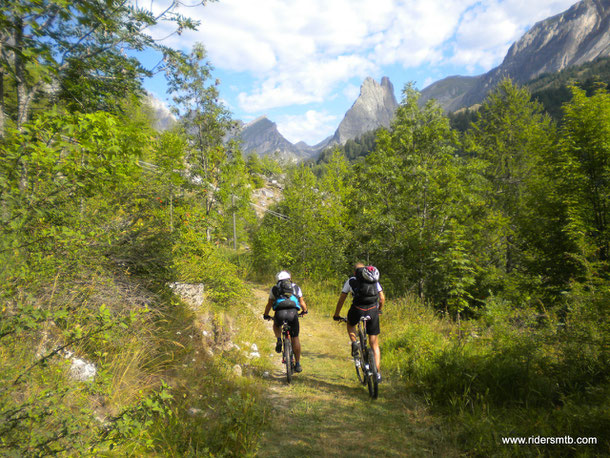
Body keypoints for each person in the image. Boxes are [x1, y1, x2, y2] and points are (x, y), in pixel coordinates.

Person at [333, 262, 385, 382]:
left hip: (357, 310)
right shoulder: (373, 279)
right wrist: (379, 311)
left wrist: (336, 314)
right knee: (374, 344)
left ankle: (354, 342)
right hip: (373, 311)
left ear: (355, 272)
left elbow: (342, 298)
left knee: (350, 324)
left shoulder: (351, 280)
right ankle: (377, 373)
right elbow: (382, 298)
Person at [263, 270, 308, 373]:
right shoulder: (296, 287)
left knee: (276, 325)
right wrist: (305, 311)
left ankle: (279, 339)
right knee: (295, 337)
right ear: (289, 278)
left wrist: (266, 315)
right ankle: (297, 364)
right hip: (293, 314)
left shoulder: (274, 288)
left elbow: (269, 304)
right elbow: (301, 302)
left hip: (280, 313)